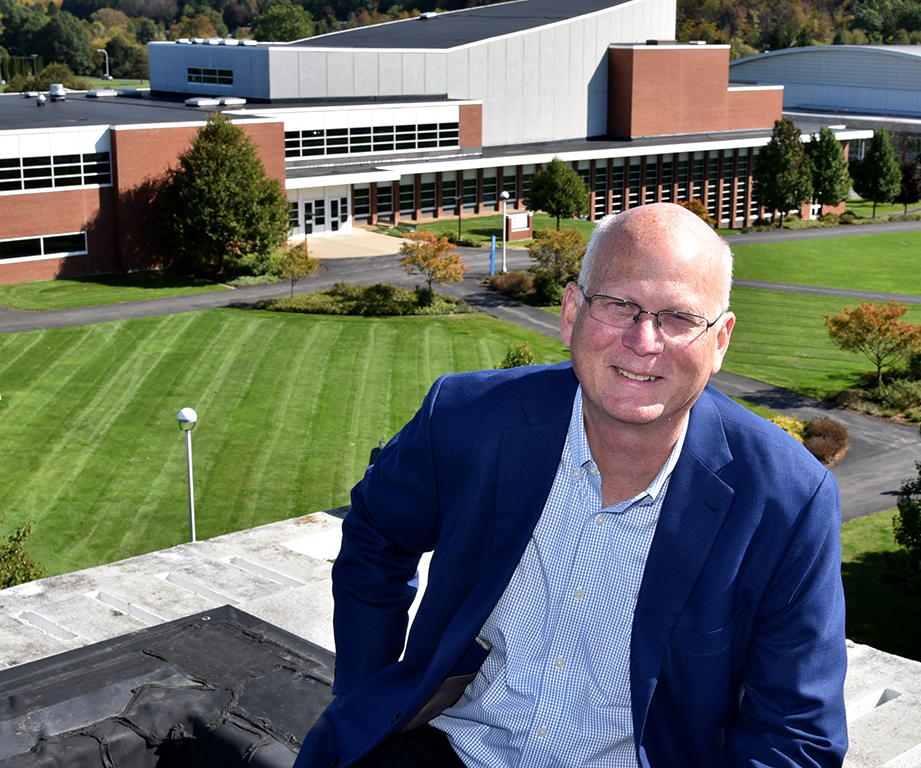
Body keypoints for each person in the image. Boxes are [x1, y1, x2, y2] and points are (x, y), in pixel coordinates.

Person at [294, 203, 848, 768]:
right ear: (570, 312)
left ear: (721, 339)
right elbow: (376, 534)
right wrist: (366, 687)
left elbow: (796, 736)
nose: (644, 340)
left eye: (679, 317)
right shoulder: (466, 417)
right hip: (451, 746)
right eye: (619, 304)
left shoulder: (786, 502)